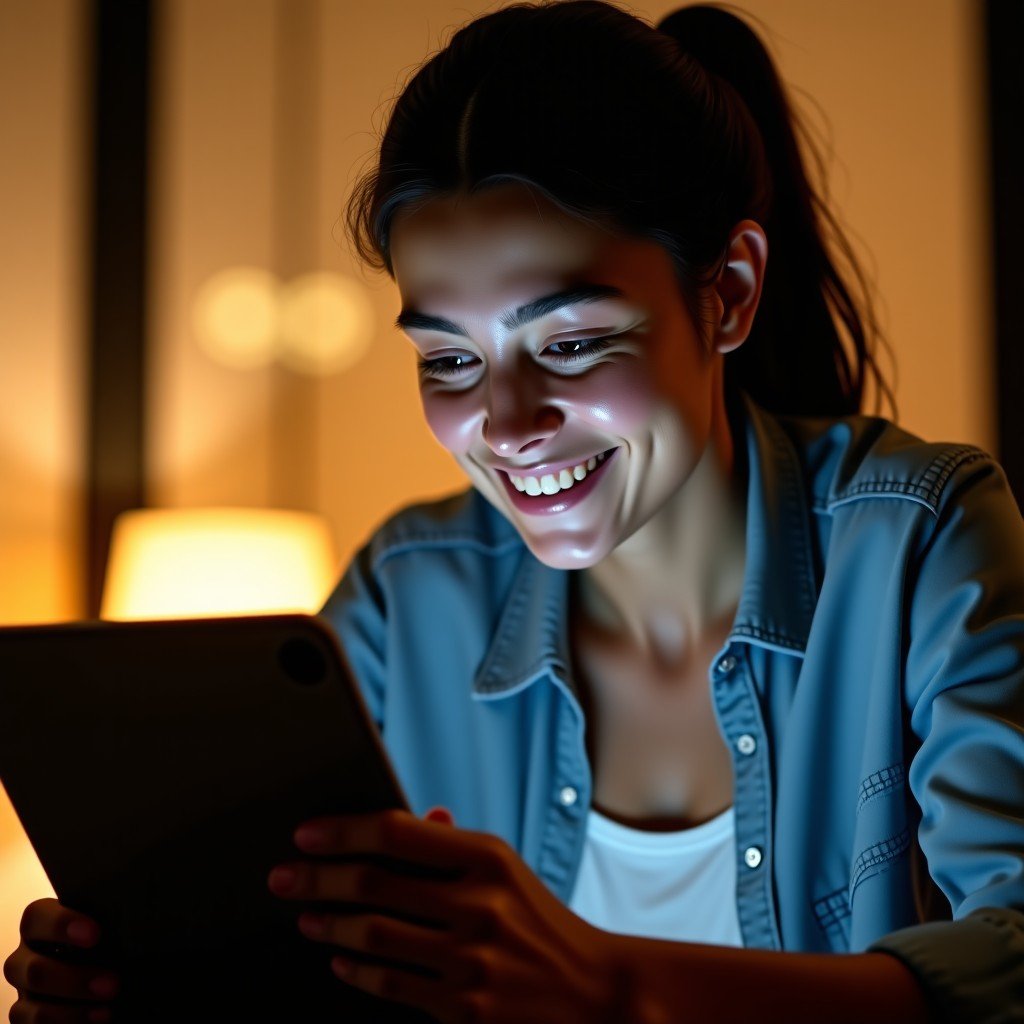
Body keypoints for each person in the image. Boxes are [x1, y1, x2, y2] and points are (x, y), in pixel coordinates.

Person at [7, 1, 1024, 1021]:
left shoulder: (921, 535)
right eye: (450, 359)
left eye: (572, 342)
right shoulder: (408, 594)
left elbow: (1011, 954)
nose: (506, 422)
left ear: (727, 291)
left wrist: (606, 985)